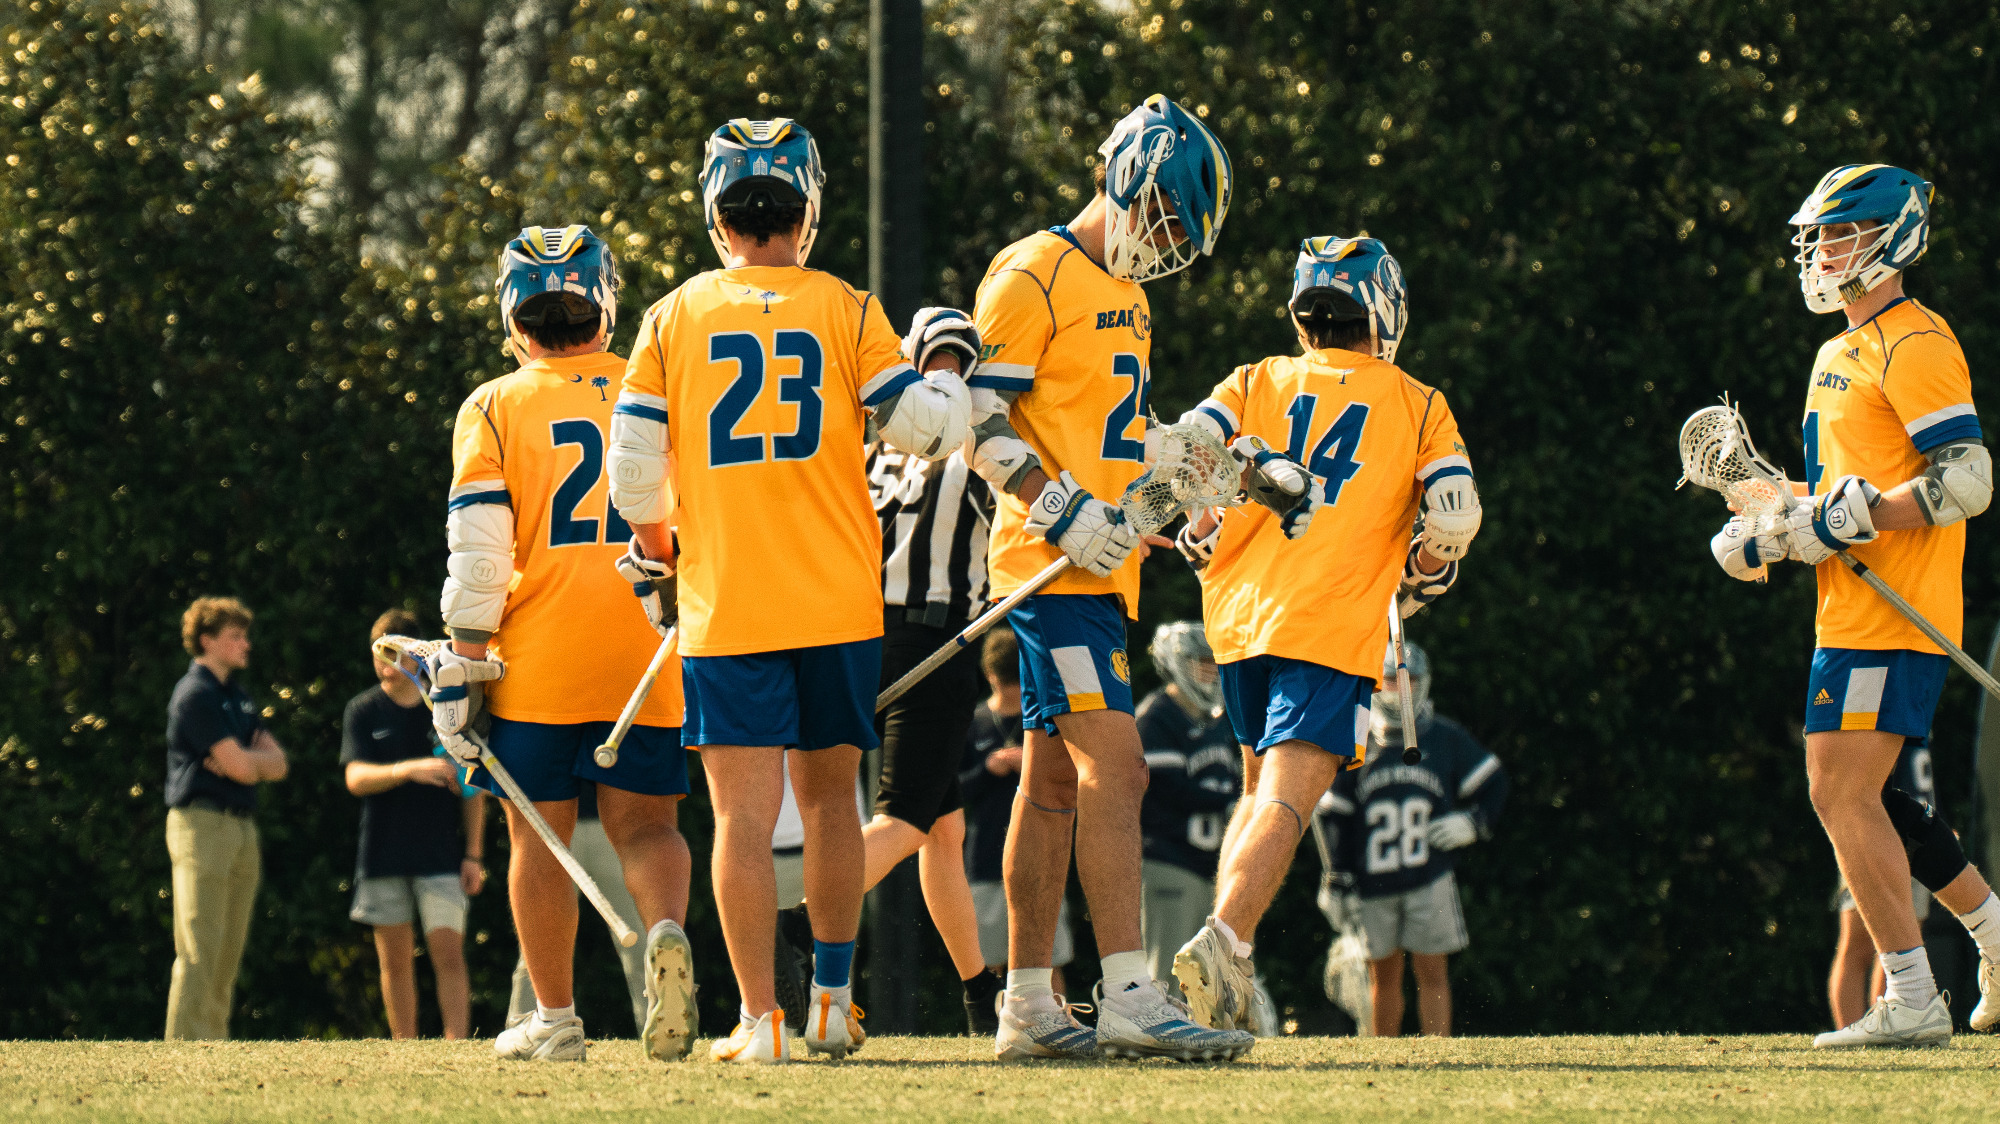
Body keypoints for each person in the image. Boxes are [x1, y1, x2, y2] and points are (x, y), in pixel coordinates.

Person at [609, 117, 973, 1064]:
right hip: (837, 600)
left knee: (737, 817)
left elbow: (635, 475)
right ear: (806, 209)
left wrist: (661, 555)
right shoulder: (848, 309)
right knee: (830, 809)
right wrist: (954, 383)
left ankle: (760, 1020)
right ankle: (833, 1004)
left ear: (716, 211)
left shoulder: (674, 315)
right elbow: (925, 433)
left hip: (729, 603)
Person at [967, 94, 1251, 1062]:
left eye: (1180, 229)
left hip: (1104, 569)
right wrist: (1058, 507)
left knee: (1050, 786)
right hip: (1044, 570)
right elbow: (978, 422)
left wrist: (1181, 493)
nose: (1165, 238)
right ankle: (1127, 985)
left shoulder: (1128, 296)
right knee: (1118, 767)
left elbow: (1114, 437)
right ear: (1123, 177)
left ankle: (1025, 1004)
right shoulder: (1028, 272)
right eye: (1163, 214)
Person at [1709, 163, 2000, 1046]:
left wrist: (1844, 519)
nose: (1822, 253)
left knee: (1837, 791)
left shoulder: (1915, 342)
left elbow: (1969, 480)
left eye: (1838, 235)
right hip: (1849, 612)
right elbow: (1837, 498)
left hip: (1897, 611)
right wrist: (1766, 517)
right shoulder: (1835, 350)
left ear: (1890, 239)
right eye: (1819, 238)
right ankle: (1994, 938)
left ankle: (1913, 998)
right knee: (1868, 797)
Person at [1171, 235, 1484, 1036]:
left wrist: (1206, 523)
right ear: (1383, 310)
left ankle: (1228, 980)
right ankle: (1224, 946)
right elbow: (1453, 513)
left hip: (1238, 620)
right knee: (1286, 798)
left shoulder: (1256, 377)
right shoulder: (1417, 400)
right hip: (1330, 624)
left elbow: (1188, 451)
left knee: (1254, 794)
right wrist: (1427, 562)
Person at [431, 223, 697, 1064]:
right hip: (647, 650)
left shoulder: (495, 404)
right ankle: (664, 934)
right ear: (603, 301)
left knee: (537, 839)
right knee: (650, 828)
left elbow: (479, 557)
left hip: (538, 656)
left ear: (513, 314)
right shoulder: (653, 384)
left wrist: (466, 661)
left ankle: (555, 1017)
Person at [827, 433, 1000, 1036]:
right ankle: (799, 927)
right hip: (934, 639)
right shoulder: (976, 445)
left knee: (942, 830)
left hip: (855, 635)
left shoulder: (874, 446)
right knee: (904, 821)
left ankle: (980, 992)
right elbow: (1029, 525)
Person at [1311, 642, 1505, 1038]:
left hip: (1428, 876)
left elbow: (1494, 782)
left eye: (1411, 680)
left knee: (1432, 970)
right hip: (1373, 883)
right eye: (1392, 680)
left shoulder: (1442, 737)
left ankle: (1439, 1049)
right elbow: (1333, 816)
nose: (1402, 688)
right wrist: (1337, 876)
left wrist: (1474, 822)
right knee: (1383, 974)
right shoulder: (1357, 737)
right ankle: (1386, 1052)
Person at [344, 608, 488, 1040]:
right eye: (378, 653)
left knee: (449, 953)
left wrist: (474, 855)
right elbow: (355, 778)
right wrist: (407, 770)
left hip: (441, 856)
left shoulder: (444, 711)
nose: (385, 663)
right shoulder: (363, 710)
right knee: (395, 962)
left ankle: (456, 1044)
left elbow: (473, 789)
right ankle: (405, 1047)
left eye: (393, 652)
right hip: (383, 855)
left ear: (415, 655)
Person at [163, 597, 289, 1040]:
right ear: (206, 640)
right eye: (234, 636)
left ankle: (212, 1046)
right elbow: (245, 767)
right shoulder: (194, 694)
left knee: (228, 947)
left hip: (240, 826)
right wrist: (249, 761)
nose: (245, 645)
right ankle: (183, 1049)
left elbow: (278, 764)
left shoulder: (237, 697)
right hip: (202, 824)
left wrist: (244, 759)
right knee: (200, 946)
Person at [961, 628, 1077, 1014]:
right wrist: (989, 768)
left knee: (1050, 957)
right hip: (984, 856)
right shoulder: (974, 721)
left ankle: (1059, 1019)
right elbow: (954, 793)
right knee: (991, 957)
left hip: (1041, 854)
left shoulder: (1043, 721)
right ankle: (992, 1024)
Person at [1133, 624, 1244, 1009]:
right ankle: (1155, 1031)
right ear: (1175, 663)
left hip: (1213, 864)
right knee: (1165, 968)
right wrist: (1231, 801)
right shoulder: (1156, 717)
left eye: (1215, 662)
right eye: (1200, 662)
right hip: (1170, 858)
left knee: (1215, 972)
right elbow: (1169, 790)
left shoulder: (1218, 717)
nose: (1211, 671)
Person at [505, 782, 648, 1035]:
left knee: (640, 941)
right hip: (550, 830)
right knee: (540, 942)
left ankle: (661, 1029)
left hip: (609, 830)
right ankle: (523, 1026)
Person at [1827, 743, 1935, 1029]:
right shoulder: (1870, 705)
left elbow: (1917, 774)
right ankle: (1849, 1033)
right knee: (1858, 945)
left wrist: (1935, 829)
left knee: (1903, 945)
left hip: (1915, 835)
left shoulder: (1912, 704)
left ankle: (1888, 1027)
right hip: (1870, 833)